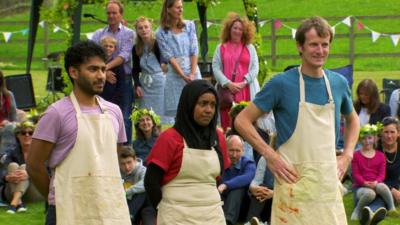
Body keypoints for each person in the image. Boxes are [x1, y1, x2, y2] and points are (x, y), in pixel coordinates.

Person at [235, 16, 360, 225]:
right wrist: (270, 155)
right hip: (292, 188)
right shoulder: (281, 84)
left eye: (325, 44)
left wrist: (347, 155)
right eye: (313, 44)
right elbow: (242, 120)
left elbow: (353, 121)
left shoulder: (338, 83)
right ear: (300, 46)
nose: (320, 51)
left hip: (327, 187)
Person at [27, 41, 130, 225]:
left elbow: (113, 156)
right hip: (67, 210)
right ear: (74, 72)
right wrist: (56, 196)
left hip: (109, 209)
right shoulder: (56, 113)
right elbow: (34, 165)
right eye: (93, 69)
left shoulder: (114, 112)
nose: (101, 76)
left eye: (102, 69)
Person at [144, 80, 230, 225]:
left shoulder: (218, 138)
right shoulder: (170, 138)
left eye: (213, 105)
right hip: (176, 217)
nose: (209, 110)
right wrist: (165, 209)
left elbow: (217, 178)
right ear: (189, 105)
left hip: (212, 215)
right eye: (203, 104)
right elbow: (151, 182)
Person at [91, 0, 135, 144]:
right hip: (102, 80)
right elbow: (93, 55)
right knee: (102, 114)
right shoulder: (99, 34)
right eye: (108, 13)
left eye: (114, 13)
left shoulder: (129, 34)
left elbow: (124, 56)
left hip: (124, 79)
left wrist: (104, 69)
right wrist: (104, 74)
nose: (111, 16)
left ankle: (126, 151)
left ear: (121, 15)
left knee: (124, 116)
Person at [212, 12, 260, 131]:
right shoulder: (221, 47)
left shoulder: (250, 48)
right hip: (227, 92)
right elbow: (216, 67)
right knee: (227, 123)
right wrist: (228, 83)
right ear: (229, 29)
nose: (237, 31)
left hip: (246, 90)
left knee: (247, 122)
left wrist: (244, 82)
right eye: (235, 28)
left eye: (240, 29)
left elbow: (255, 68)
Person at [156, 0, 202, 119]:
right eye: (177, 7)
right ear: (168, 9)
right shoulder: (161, 32)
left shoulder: (189, 25)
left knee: (196, 107)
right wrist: (183, 75)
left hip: (192, 70)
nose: (180, 10)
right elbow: (169, 57)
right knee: (179, 112)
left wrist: (192, 73)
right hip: (176, 74)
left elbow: (194, 50)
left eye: (181, 7)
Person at [351, 123, 397, 221]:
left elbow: (382, 174)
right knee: (370, 193)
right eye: (364, 138)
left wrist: (376, 182)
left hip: (375, 184)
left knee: (382, 186)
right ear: (360, 139)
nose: (367, 141)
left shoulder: (380, 155)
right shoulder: (356, 155)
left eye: (370, 138)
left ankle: (391, 207)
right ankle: (357, 210)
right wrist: (364, 183)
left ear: (375, 139)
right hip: (361, 187)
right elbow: (356, 174)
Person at [132, 17, 171, 124]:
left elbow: (163, 60)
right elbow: (135, 69)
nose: (143, 30)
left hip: (160, 82)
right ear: (137, 31)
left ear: (150, 28)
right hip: (145, 84)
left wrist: (164, 64)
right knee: (146, 114)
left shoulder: (157, 43)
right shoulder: (136, 48)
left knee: (161, 114)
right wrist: (137, 85)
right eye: (140, 28)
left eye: (146, 27)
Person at [362, 116, 400, 224]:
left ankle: (371, 212)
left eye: (392, 132)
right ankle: (373, 211)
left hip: (394, 188)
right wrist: (392, 190)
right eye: (386, 132)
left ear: (398, 133)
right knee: (380, 194)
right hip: (374, 185)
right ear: (381, 133)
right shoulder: (373, 149)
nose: (389, 136)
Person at [218, 135, 256, 225]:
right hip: (222, 203)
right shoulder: (220, 163)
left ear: (243, 151)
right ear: (225, 149)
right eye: (231, 150)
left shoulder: (248, 164)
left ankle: (227, 222)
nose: (234, 155)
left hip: (242, 207)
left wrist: (226, 185)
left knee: (238, 189)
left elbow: (247, 177)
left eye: (238, 151)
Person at [0, 121, 34, 214]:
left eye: (30, 133)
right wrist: (7, 177)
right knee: (13, 166)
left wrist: (29, 174)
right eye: (23, 133)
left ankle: (13, 204)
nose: (27, 135)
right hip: (11, 188)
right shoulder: (11, 152)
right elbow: (2, 173)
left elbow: (48, 171)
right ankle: (18, 203)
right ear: (18, 135)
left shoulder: (40, 152)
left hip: (33, 190)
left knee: (24, 167)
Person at [119, 146, 156, 225]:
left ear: (135, 160)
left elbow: (145, 183)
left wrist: (126, 192)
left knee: (143, 190)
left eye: (129, 162)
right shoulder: (118, 173)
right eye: (123, 164)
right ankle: (130, 217)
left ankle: (129, 217)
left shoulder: (142, 170)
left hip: (146, 207)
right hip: (128, 205)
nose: (127, 167)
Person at [245, 157, 274, 225]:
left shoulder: (290, 159)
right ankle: (251, 221)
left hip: (282, 197)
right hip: (265, 197)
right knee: (261, 187)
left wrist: (274, 194)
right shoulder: (264, 158)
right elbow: (257, 180)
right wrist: (252, 188)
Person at [99, 36, 127, 105]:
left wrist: (114, 102)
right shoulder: (97, 62)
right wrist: (105, 73)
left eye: (111, 46)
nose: (108, 48)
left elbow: (121, 86)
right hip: (98, 98)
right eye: (105, 46)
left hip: (112, 101)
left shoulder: (118, 65)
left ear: (115, 49)